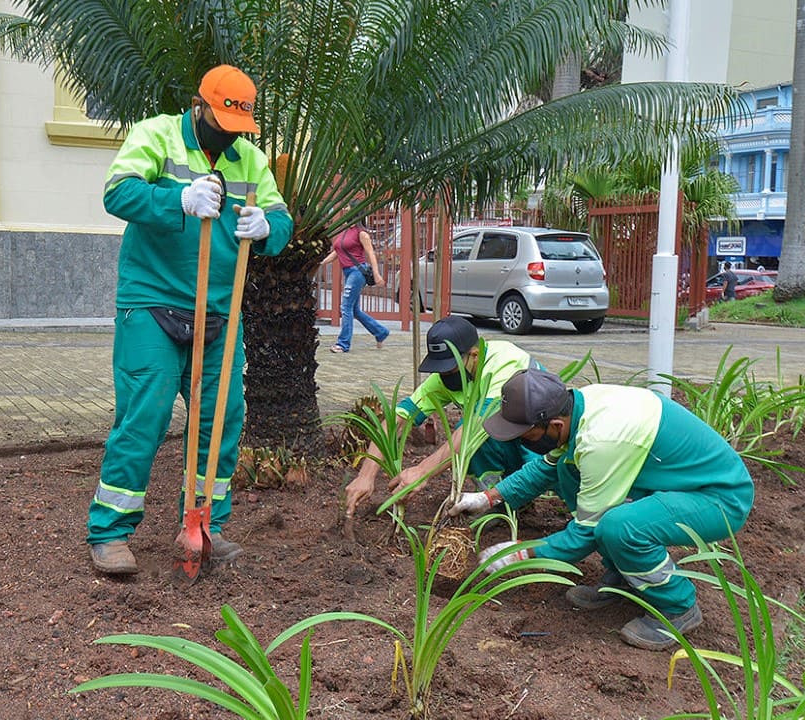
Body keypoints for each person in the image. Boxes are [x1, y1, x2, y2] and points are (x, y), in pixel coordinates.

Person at [85, 65, 292, 575]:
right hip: (152, 303)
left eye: (239, 126)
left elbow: (282, 220)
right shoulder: (155, 134)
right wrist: (176, 197)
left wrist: (268, 228)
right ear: (198, 107)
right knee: (144, 415)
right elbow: (117, 193)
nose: (230, 135)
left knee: (220, 422)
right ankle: (109, 531)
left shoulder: (251, 158)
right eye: (221, 122)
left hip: (220, 309)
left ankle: (203, 525)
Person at [448, 369, 754, 651]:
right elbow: (545, 469)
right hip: (673, 482)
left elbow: (584, 534)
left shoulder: (601, 440)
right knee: (569, 471)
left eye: (525, 436)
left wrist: (520, 552)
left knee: (621, 528)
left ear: (554, 425)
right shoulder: (579, 408)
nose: (519, 441)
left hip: (719, 498)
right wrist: (487, 498)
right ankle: (624, 577)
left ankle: (678, 606)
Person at [343, 315, 540, 516]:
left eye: (449, 367)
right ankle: (497, 503)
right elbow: (397, 420)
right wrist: (366, 475)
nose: (444, 375)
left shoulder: (505, 362)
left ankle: (515, 497)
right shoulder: (445, 378)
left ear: (474, 354)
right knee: (472, 431)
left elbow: (476, 428)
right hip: (509, 439)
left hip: (539, 443)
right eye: (439, 368)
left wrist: (422, 471)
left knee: (475, 430)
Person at [319, 224, 389, 352]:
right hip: (348, 272)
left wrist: (376, 273)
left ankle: (343, 344)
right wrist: (321, 262)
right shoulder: (344, 232)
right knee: (354, 310)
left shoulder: (361, 233)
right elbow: (337, 252)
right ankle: (381, 332)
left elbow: (370, 253)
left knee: (345, 306)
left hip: (357, 272)